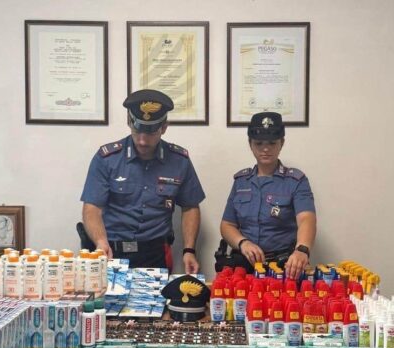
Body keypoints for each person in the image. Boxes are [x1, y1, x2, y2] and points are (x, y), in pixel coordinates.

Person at [80, 89, 205, 273]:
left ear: (164, 127)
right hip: (111, 251)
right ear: (129, 122)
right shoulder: (107, 159)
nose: (143, 141)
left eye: (151, 133)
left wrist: (189, 250)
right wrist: (100, 241)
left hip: (156, 254)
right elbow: (92, 208)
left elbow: (190, 207)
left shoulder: (179, 161)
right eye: (137, 131)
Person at [219, 111, 317, 280]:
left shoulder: (296, 181)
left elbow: (306, 219)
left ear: (282, 143)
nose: (265, 149)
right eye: (259, 143)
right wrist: (243, 243)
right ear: (250, 144)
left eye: (272, 143)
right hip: (244, 265)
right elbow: (227, 225)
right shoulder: (241, 181)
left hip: (283, 266)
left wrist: (302, 250)